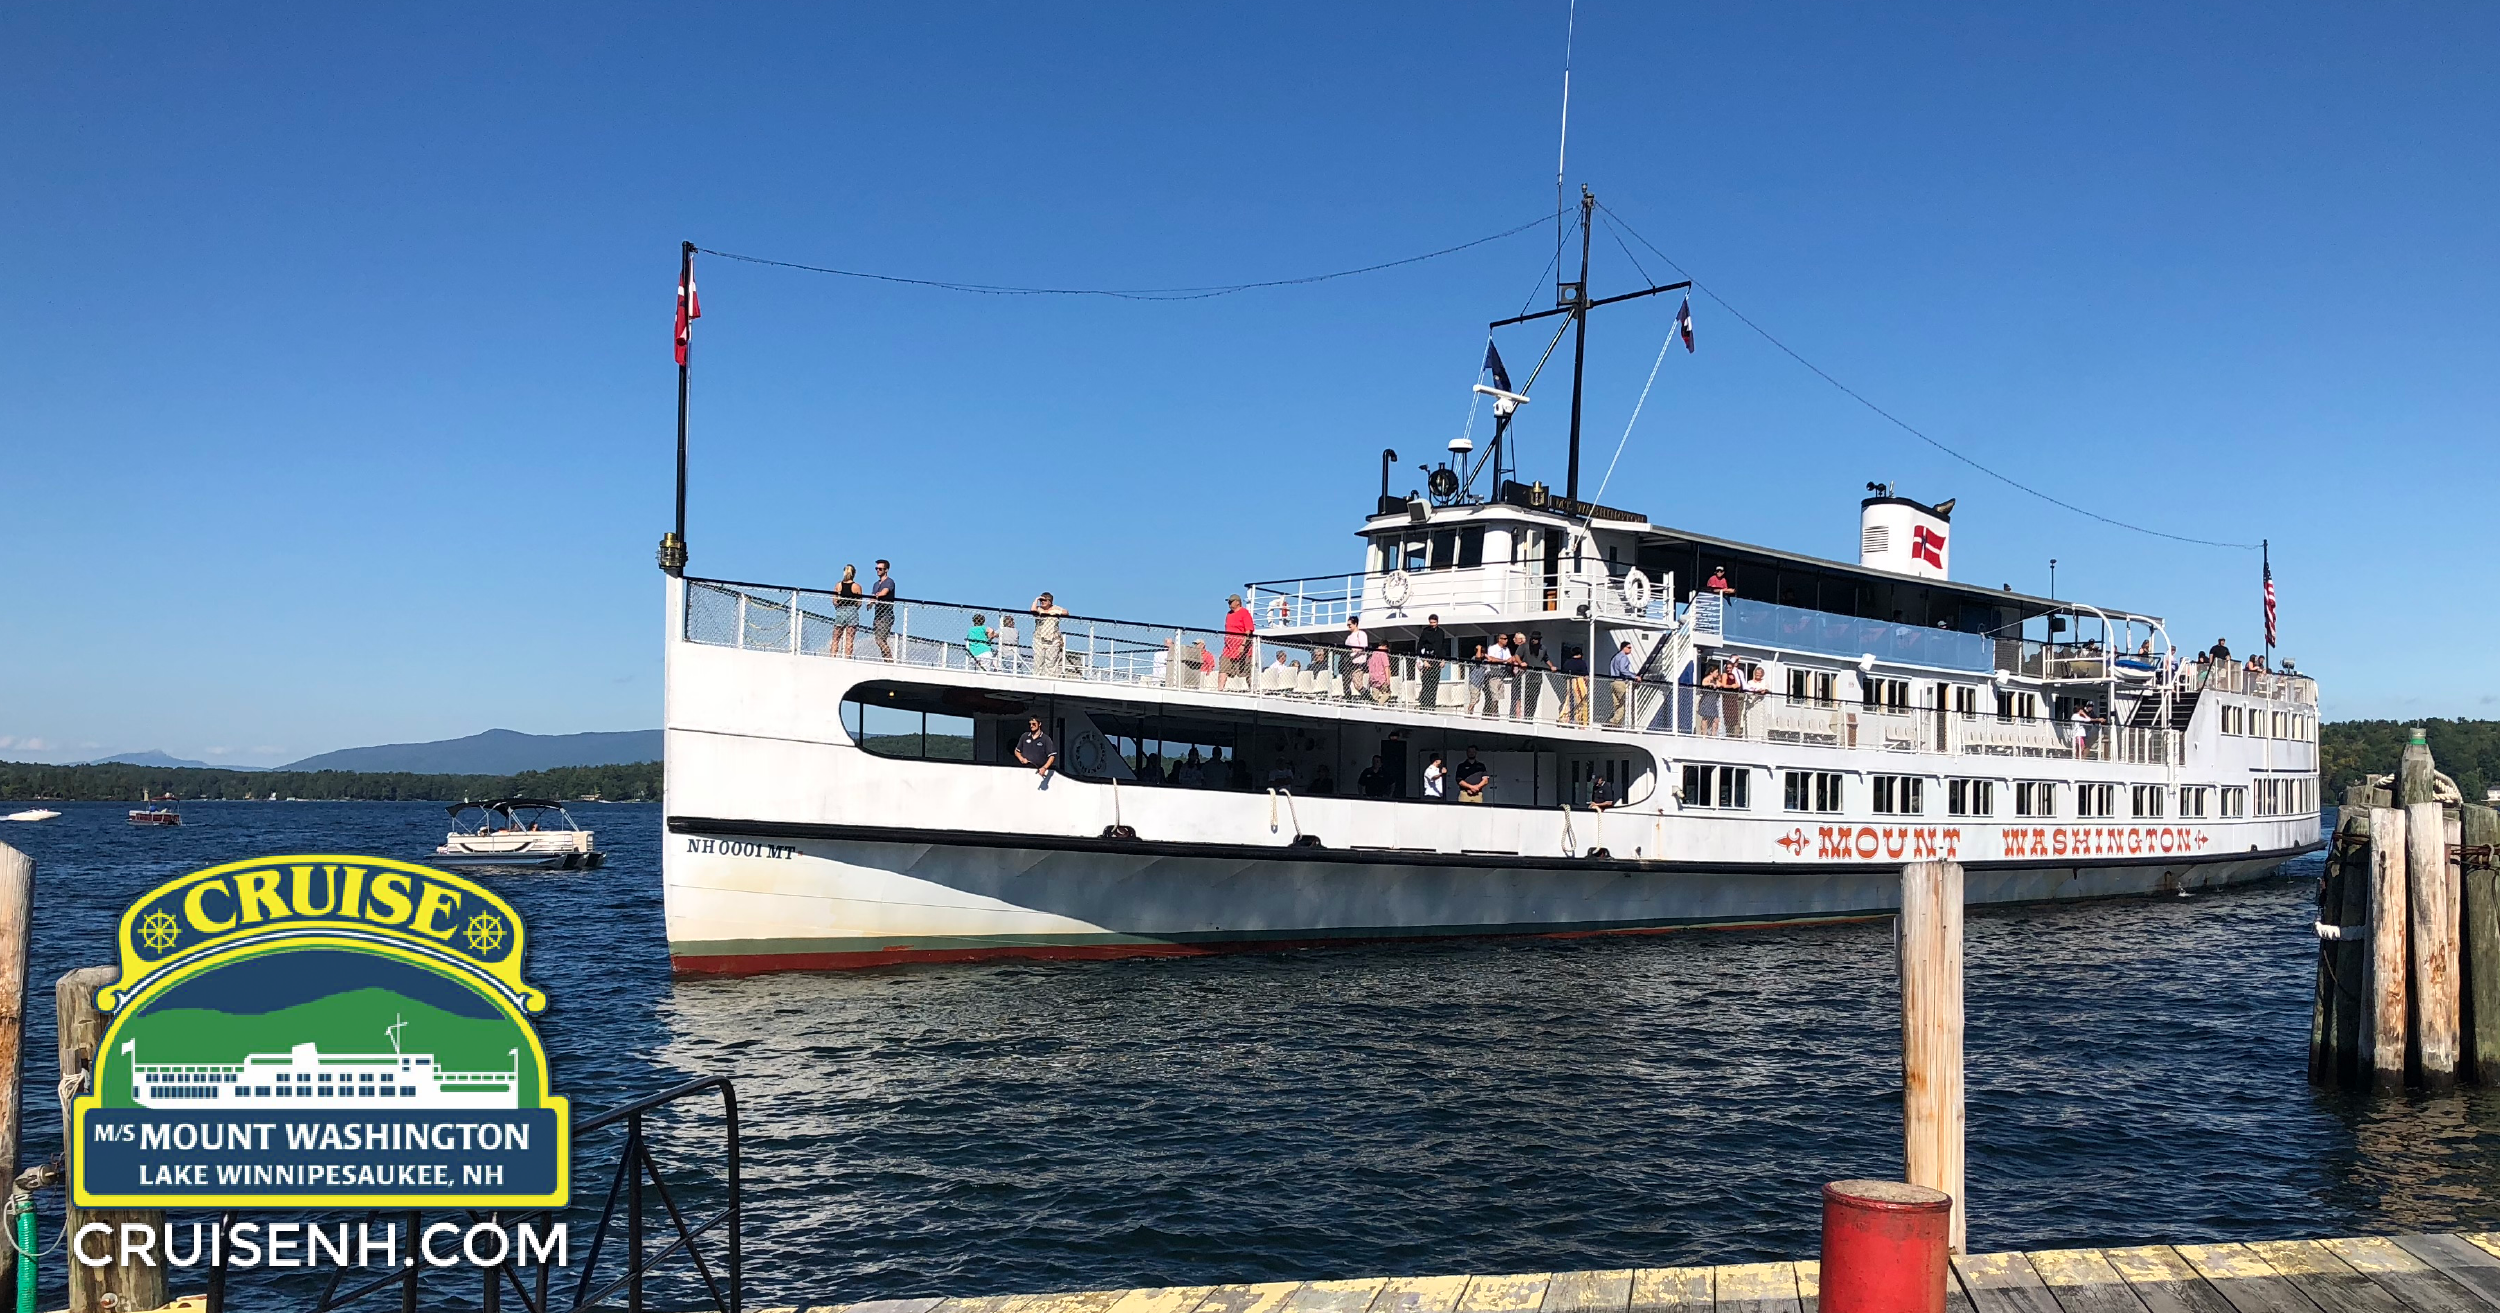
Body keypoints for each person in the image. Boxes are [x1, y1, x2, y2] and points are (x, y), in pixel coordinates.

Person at [1221, 594, 1256, 691]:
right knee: (1223, 668)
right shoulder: (1229, 614)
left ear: (1237, 602)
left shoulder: (1244, 613)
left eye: (1231, 601)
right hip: (1228, 649)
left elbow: (1248, 630)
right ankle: (1220, 689)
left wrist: (1243, 645)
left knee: (1247, 672)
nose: (1229, 604)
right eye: (1229, 602)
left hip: (1243, 650)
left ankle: (1252, 689)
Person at [1033, 592, 1070, 677]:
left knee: (1051, 662)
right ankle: (1036, 678)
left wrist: (1053, 612)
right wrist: (1036, 599)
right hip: (1039, 639)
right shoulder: (1039, 609)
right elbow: (1033, 610)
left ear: (1049, 601)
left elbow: (1066, 612)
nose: (1042, 602)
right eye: (1041, 600)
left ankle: (1049, 678)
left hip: (1053, 639)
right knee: (1038, 661)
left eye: (1044, 600)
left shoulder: (1055, 608)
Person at [830, 564, 863, 657]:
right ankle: (847, 658)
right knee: (850, 639)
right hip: (852, 611)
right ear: (854, 574)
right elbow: (859, 603)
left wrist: (839, 606)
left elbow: (834, 601)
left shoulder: (838, 585)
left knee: (836, 638)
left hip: (841, 611)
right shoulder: (857, 586)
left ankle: (832, 656)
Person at [1417, 614, 1448, 710]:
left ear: (1437, 622)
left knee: (1434, 684)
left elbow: (1443, 646)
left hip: (1437, 660)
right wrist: (1424, 660)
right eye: (1431, 622)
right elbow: (1419, 646)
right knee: (1426, 683)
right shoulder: (1425, 632)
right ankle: (1424, 705)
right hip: (1427, 659)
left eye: (1434, 622)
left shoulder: (1441, 632)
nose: (1432, 624)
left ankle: (1432, 705)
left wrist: (1443, 659)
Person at [869, 559, 898, 659]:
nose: (878, 570)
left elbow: (884, 592)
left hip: (886, 615)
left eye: (880, 569)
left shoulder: (889, 582)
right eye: (876, 568)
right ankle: (886, 660)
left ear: (886, 570)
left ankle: (889, 660)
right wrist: (870, 603)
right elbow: (873, 596)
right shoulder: (876, 584)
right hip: (878, 615)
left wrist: (877, 596)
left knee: (880, 640)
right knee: (880, 640)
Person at [1519, 632, 1550, 722]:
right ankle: (1525, 717)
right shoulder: (1524, 647)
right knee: (1526, 697)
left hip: (1537, 678)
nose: (1533, 640)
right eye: (1532, 638)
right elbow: (1517, 655)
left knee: (1534, 698)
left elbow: (1546, 659)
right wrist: (1521, 663)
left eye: (1536, 639)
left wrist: (1552, 666)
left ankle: (1530, 717)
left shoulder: (1543, 648)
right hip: (1526, 677)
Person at [1606, 641, 1638, 728]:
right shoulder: (1623, 657)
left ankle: (1614, 723)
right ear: (1624, 648)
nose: (1630, 649)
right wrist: (1634, 676)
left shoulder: (1615, 657)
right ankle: (1614, 723)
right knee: (1623, 703)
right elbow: (1623, 670)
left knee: (1617, 703)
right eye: (1629, 647)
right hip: (1620, 682)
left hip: (1613, 681)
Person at [1015, 716, 1057, 781]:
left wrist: (1044, 768)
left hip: (1039, 772)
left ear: (1039, 724)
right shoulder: (1025, 736)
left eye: (1034, 724)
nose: (1031, 726)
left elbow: (1052, 756)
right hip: (1025, 771)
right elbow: (1017, 751)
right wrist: (1021, 759)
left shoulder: (1045, 739)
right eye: (1030, 724)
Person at [1485, 634, 1514, 719]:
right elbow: (1492, 659)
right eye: (1504, 639)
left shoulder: (1506, 649)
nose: (1506, 640)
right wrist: (1504, 660)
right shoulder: (1492, 648)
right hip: (1493, 675)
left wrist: (1510, 660)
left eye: (1507, 639)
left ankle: (1495, 712)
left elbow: (1510, 659)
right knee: (1494, 696)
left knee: (1499, 696)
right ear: (1499, 639)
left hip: (1501, 675)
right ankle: (1493, 713)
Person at [1342, 615, 1369, 698]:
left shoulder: (1361, 634)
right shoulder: (1349, 637)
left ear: (1355, 624)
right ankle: (1348, 697)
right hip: (1348, 663)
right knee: (1346, 681)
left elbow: (1363, 646)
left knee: (1357, 684)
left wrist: (1354, 651)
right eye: (1347, 625)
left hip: (1358, 662)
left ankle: (1369, 697)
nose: (1348, 626)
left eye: (1349, 624)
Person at [1562, 645, 1590, 724]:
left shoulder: (1567, 662)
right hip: (1579, 682)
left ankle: (1565, 719)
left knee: (1569, 700)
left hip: (1569, 682)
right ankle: (1581, 721)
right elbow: (1586, 675)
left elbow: (1564, 673)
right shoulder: (1581, 663)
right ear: (1580, 654)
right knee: (1582, 701)